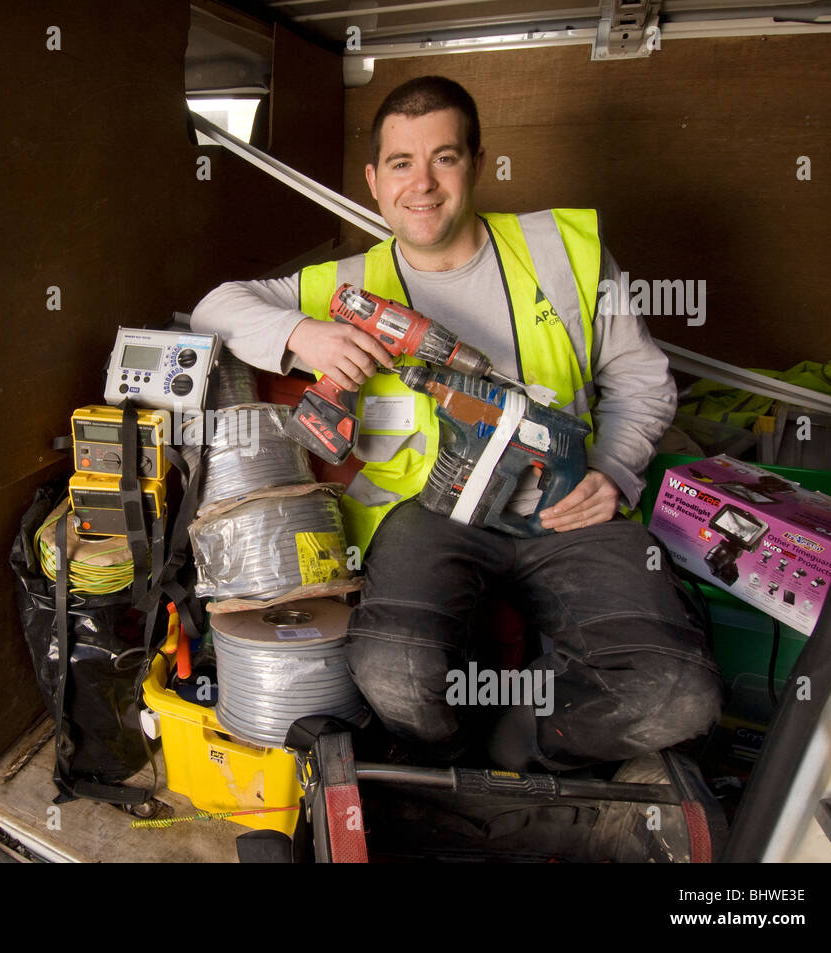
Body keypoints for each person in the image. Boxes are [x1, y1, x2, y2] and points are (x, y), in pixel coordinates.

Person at [190, 76, 723, 772]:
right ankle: (452, 765)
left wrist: (614, 469)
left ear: (475, 162)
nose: (424, 184)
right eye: (403, 163)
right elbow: (213, 307)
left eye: (444, 157)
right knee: (392, 674)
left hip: (565, 501)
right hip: (431, 510)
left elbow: (643, 381)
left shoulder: (564, 253)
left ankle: (526, 747)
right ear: (375, 181)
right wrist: (303, 336)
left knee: (677, 695)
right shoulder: (348, 283)